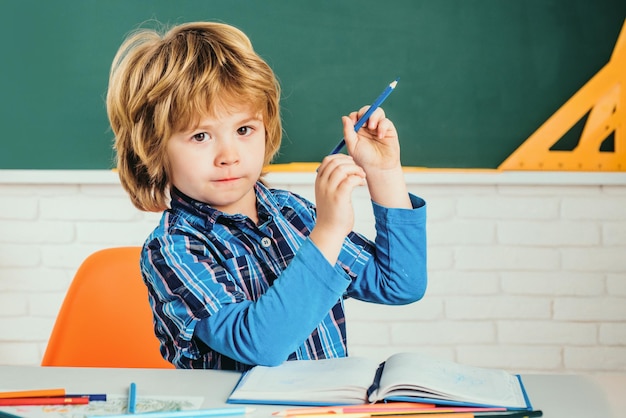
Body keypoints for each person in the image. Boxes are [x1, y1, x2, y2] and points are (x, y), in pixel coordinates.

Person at [106, 21, 427, 370]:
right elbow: (261, 344)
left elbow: (400, 284)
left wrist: (384, 172)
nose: (229, 154)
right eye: (200, 136)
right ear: (155, 149)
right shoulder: (174, 248)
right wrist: (328, 232)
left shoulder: (292, 213)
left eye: (244, 129)